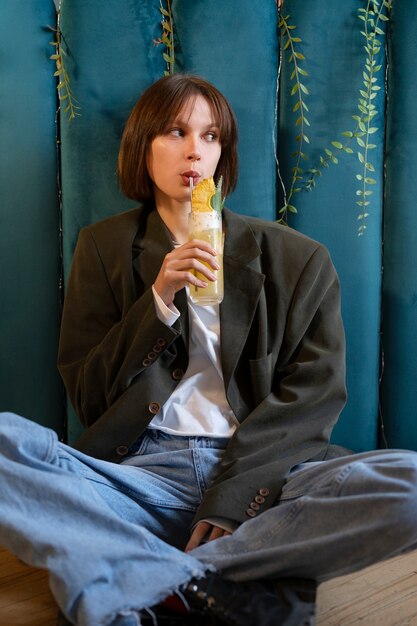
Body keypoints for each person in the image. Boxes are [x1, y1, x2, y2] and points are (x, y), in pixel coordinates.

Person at [2, 74, 417, 626]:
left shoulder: (297, 258)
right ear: (143, 147)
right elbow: (90, 395)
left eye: (212, 136)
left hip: (268, 474)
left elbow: (313, 396)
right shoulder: (102, 248)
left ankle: (161, 577)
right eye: (176, 132)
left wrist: (234, 493)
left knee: (409, 483)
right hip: (141, 474)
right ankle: (211, 580)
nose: (196, 150)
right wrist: (158, 299)